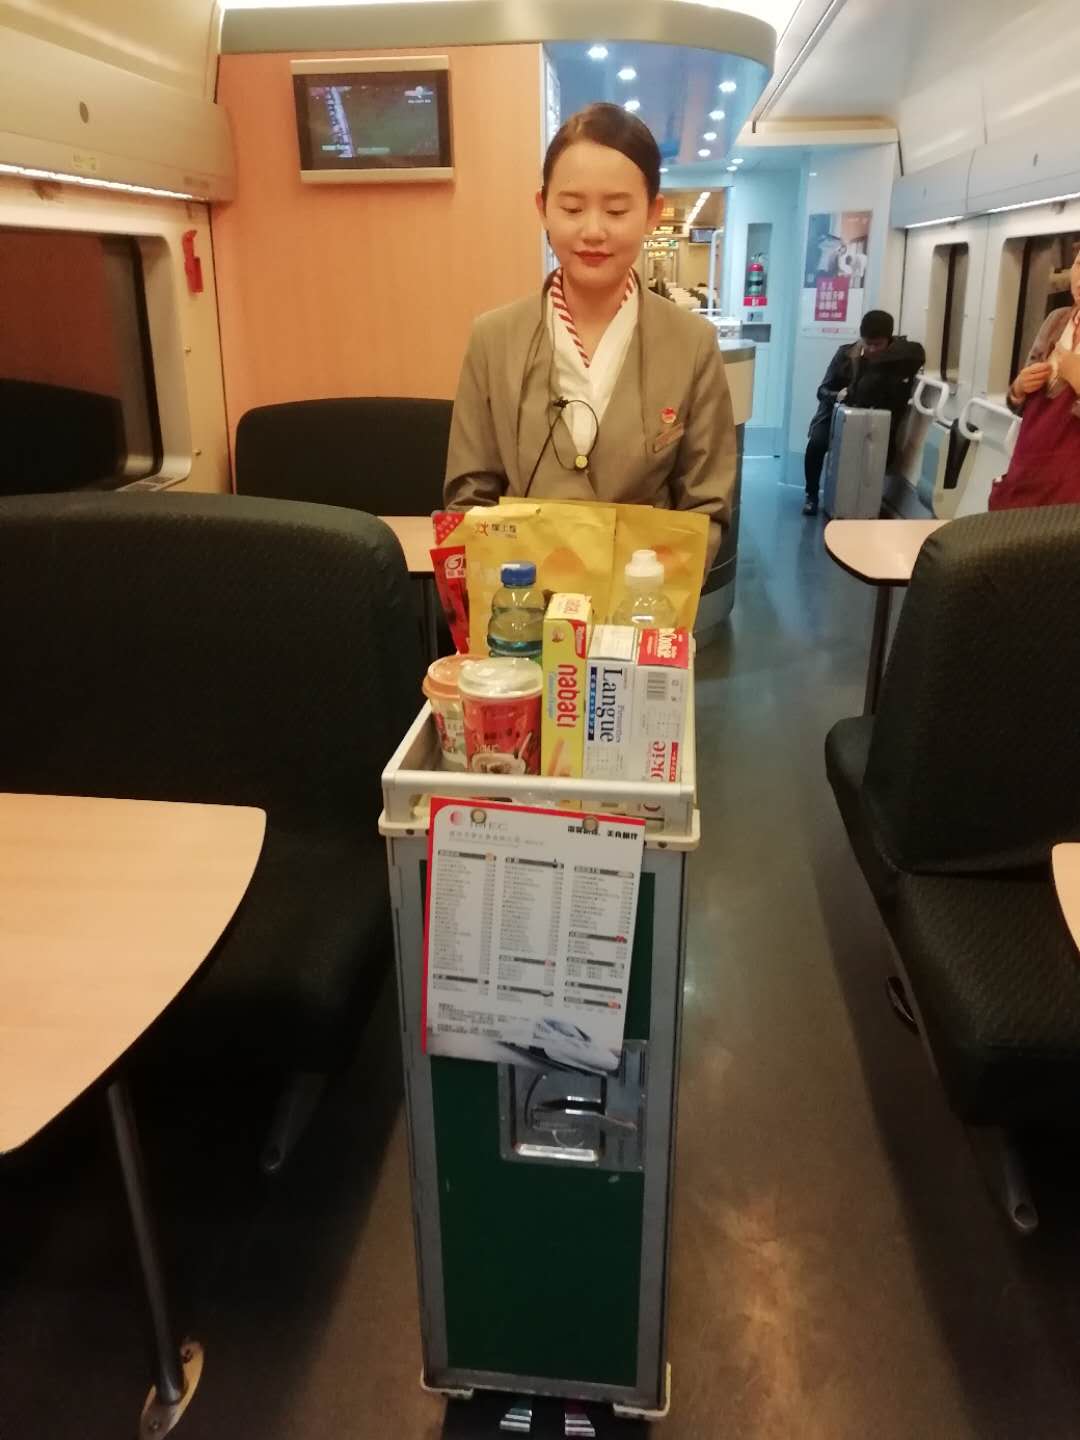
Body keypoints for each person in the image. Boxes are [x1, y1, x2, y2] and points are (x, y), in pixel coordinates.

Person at [444, 103, 736, 572]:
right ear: (542, 209)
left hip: (643, 601)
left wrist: (650, 587)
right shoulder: (493, 340)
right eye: (572, 208)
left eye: (617, 210)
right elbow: (469, 498)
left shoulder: (692, 343)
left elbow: (705, 508)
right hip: (521, 602)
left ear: (652, 213)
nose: (593, 230)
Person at [802, 310, 925, 516]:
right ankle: (811, 495)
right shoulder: (845, 354)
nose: (872, 349)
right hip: (835, 413)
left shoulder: (899, 357)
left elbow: (916, 353)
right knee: (816, 444)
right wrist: (837, 395)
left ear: (889, 340)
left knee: (879, 455)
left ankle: (864, 502)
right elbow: (822, 390)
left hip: (874, 417)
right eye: (868, 343)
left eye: (878, 344)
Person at [989, 247, 1080, 510]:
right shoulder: (1056, 321)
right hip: (1030, 461)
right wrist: (1018, 389)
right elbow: (1018, 402)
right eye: (1078, 265)